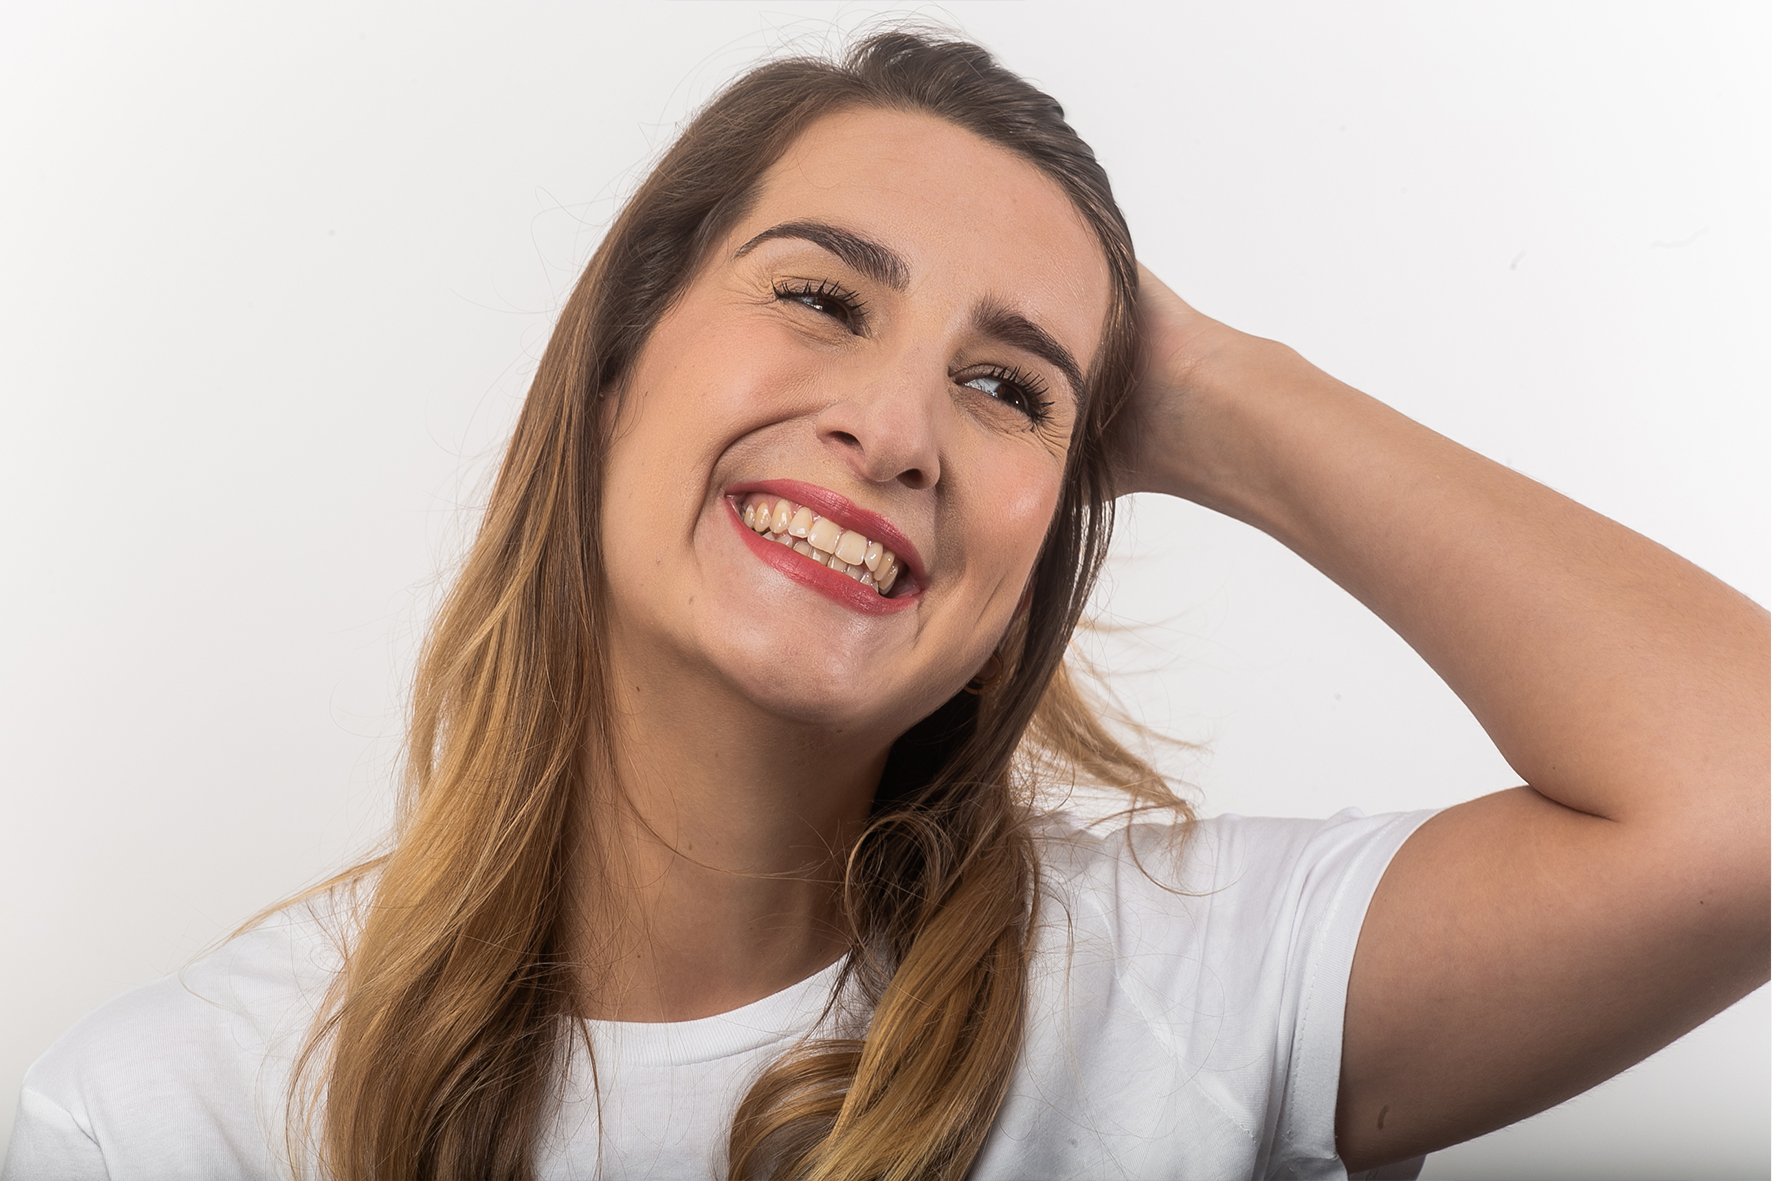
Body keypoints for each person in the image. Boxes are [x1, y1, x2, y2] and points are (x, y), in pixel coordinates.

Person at [3, 29, 1764, 1181]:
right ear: (619, 363)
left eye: (1010, 389)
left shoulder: (1182, 985)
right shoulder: (177, 1115)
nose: (896, 425)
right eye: (825, 297)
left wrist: (1215, 383)